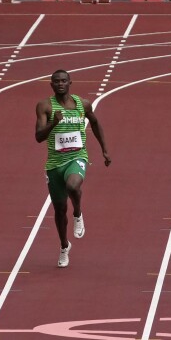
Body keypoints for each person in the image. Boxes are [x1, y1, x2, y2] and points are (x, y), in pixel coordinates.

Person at [35, 69, 111, 268]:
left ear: (70, 83)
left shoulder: (82, 104)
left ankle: (78, 213)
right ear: (51, 85)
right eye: (56, 81)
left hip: (77, 157)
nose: (60, 84)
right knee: (60, 210)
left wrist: (104, 149)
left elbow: (95, 123)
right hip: (54, 164)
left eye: (64, 81)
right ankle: (64, 246)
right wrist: (53, 122)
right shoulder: (44, 106)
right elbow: (38, 136)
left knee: (74, 186)